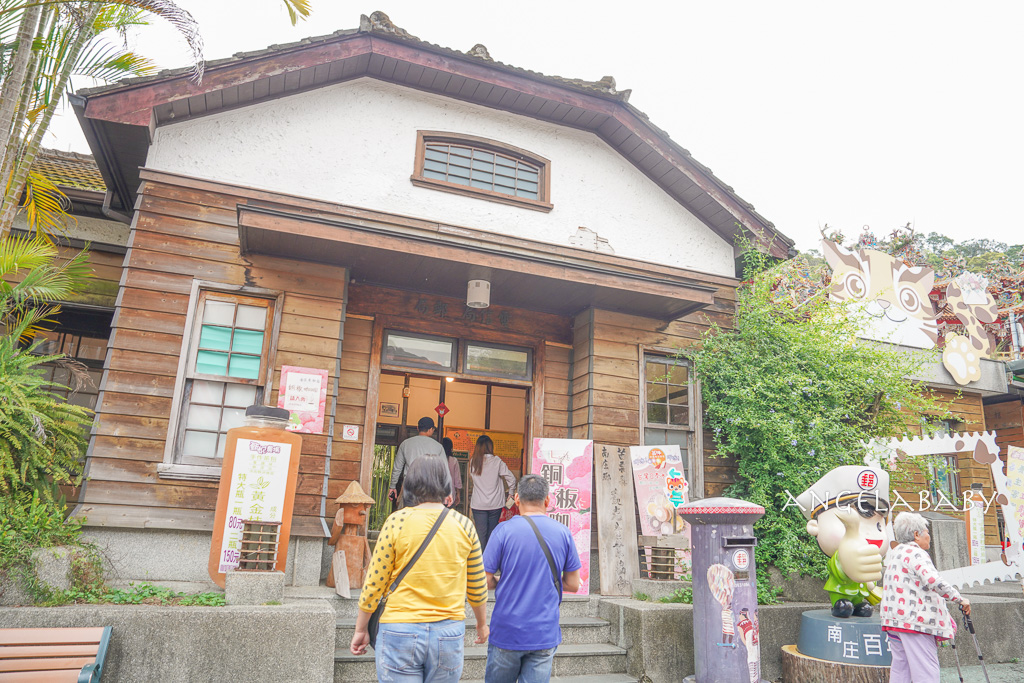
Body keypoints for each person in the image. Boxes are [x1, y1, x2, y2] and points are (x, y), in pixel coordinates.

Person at [351, 456, 488, 682]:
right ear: (446, 484)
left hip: (399, 629)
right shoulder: (465, 525)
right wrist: (482, 625)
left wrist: (360, 629)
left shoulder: (396, 521)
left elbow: (374, 584)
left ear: (411, 483)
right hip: (448, 633)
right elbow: (476, 585)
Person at [483, 474, 581, 683]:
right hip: (543, 633)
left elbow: (484, 580)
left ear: (517, 499)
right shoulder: (563, 533)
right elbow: (573, 583)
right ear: (547, 501)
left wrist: (503, 581)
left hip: (506, 631)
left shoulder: (503, 531)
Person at [880, 512, 971, 683]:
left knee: (901, 669)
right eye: (926, 531)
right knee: (926, 671)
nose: (928, 535)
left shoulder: (895, 554)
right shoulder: (916, 553)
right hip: (915, 622)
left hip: (893, 621)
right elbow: (933, 580)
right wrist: (959, 598)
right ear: (916, 534)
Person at [389, 416, 452, 508]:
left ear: (418, 428)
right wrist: (448, 492)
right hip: (431, 487)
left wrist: (392, 486)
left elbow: (397, 468)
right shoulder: (438, 447)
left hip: (409, 485)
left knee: (408, 514)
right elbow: (445, 471)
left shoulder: (405, 444)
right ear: (431, 429)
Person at [469, 434, 516, 552]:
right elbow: (512, 479)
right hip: (495, 504)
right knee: (492, 533)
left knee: (480, 534)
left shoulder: (473, 462)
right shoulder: (497, 461)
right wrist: (510, 493)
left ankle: (480, 563)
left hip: (478, 504)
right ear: (491, 447)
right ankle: (490, 563)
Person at [441, 437, 463, 508]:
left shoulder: (438, 459)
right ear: (451, 448)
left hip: (438, 496)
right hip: (451, 496)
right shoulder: (454, 461)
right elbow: (457, 480)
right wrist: (458, 494)